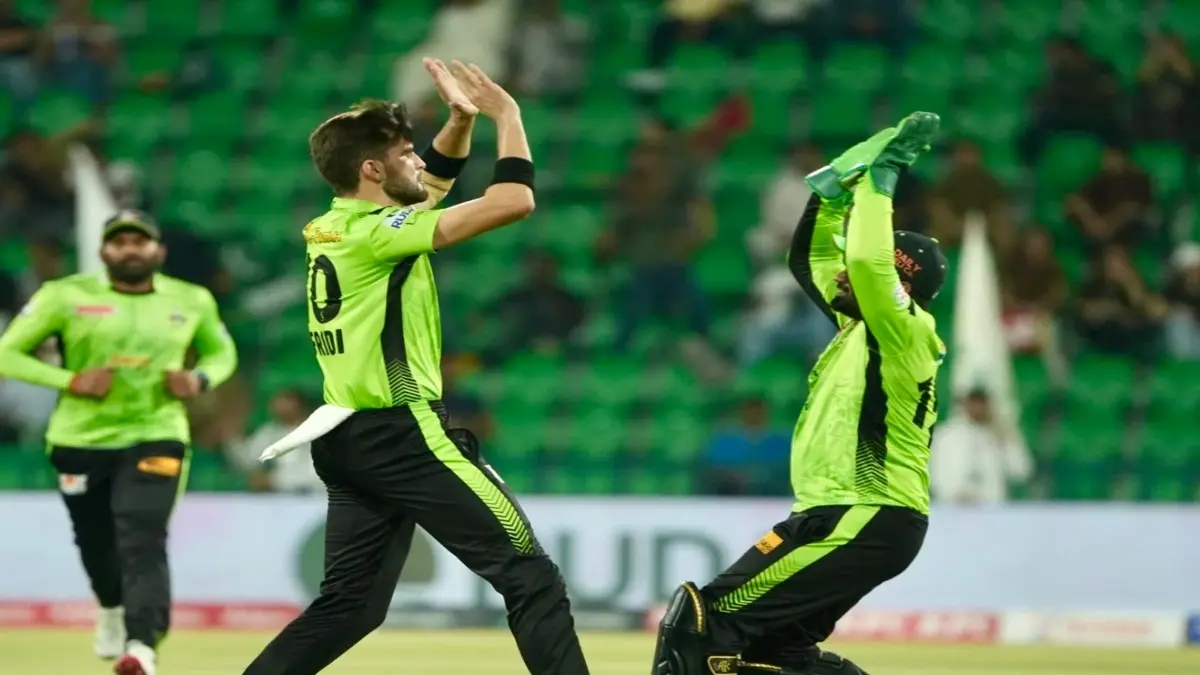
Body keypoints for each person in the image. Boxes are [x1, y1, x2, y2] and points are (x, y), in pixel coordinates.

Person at [242, 59, 589, 675]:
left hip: (345, 433)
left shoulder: (332, 225)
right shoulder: (380, 233)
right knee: (530, 574)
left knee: (349, 606)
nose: (418, 162)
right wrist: (507, 116)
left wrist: (460, 120)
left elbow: (428, 184)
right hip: (405, 433)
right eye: (405, 153)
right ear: (372, 170)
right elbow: (514, 201)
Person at [650, 114, 946, 675]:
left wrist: (881, 181)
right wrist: (833, 187)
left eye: (859, 274)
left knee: (702, 623)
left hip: (864, 515)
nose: (839, 278)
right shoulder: (867, 328)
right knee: (775, 655)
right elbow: (810, 259)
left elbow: (862, 261)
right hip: (839, 515)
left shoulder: (905, 330)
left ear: (898, 285)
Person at [0, 210, 237, 675]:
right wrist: (70, 380)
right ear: (103, 251)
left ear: (158, 251)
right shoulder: (64, 295)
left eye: (139, 242)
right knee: (94, 539)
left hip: (157, 433)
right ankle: (110, 605)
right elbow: (8, 352)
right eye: (120, 242)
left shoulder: (190, 299)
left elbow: (221, 350)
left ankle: (142, 647)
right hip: (79, 438)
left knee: (143, 536)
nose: (130, 249)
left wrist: (199, 379)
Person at [930, 387, 1032, 504]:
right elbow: (934, 476)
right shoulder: (945, 436)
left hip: (994, 510)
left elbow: (1021, 472)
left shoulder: (1002, 434)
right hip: (953, 509)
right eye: (973, 402)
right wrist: (954, 493)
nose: (978, 408)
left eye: (982, 403)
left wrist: (1007, 439)